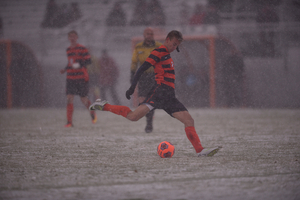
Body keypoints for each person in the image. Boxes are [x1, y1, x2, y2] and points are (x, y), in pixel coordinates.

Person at [89, 30, 220, 157]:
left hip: (169, 96)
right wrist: (132, 87)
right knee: (133, 117)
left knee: (189, 120)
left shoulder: (167, 53)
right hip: (159, 92)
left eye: (177, 45)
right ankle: (104, 106)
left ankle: (200, 151)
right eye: (173, 44)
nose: (175, 47)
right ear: (167, 40)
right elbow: (141, 69)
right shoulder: (158, 52)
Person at [60, 30, 96, 127]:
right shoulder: (68, 50)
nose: (72, 38)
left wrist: (79, 64)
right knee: (69, 99)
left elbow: (89, 61)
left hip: (80, 78)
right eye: (70, 36)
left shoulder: (82, 48)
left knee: (84, 100)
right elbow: (70, 63)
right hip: (70, 78)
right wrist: (65, 69)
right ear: (68, 38)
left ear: (77, 37)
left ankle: (92, 112)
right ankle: (69, 122)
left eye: (74, 36)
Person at [130, 27, 162, 133]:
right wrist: (132, 75)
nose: (149, 35)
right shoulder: (138, 46)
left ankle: (149, 123)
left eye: (151, 34)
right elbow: (134, 62)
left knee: (151, 100)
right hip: (143, 76)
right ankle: (148, 120)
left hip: (154, 75)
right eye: (147, 34)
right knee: (142, 101)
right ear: (144, 35)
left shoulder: (158, 46)